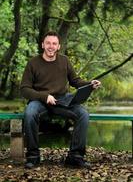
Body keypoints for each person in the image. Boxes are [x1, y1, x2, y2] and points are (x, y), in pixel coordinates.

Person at [20, 31, 101, 169]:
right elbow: (24, 89)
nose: (51, 46)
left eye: (54, 43)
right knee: (29, 113)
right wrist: (44, 96)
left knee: (83, 114)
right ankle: (33, 156)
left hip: (63, 100)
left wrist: (90, 84)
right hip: (40, 101)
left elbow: (75, 81)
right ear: (42, 45)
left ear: (58, 46)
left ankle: (75, 157)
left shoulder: (64, 61)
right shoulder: (33, 63)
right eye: (48, 43)